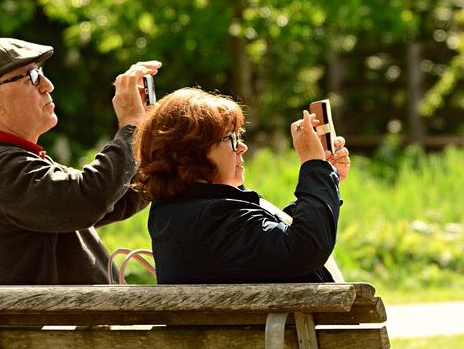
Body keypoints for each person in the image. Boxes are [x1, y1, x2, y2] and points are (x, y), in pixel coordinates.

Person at [0, 37, 161, 285]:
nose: (47, 85)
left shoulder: (7, 160)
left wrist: (146, 135)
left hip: (66, 322)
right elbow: (90, 197)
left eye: (40, 73)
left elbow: (119, 199)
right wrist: (131, 126)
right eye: (32, 77)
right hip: (56, 324)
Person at [133, 88, 350, 284]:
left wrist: (325, 179)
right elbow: (304, 247)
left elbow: (270, 241)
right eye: (231, 138)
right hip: (278, 329)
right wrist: (313, 166)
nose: (242, 147)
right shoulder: (210, 219)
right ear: (192, 151)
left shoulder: (185, 213)